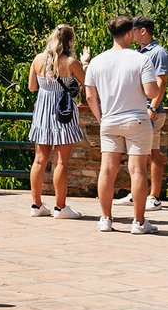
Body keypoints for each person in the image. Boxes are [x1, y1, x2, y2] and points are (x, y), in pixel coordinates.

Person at [85, 16, 162, 234]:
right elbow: (151, 92)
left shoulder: (97, 61)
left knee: (107, 170)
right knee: (137, 170)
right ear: (129, 33)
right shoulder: (140, 60)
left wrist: (101, 119)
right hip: (136, 119)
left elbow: (90, 96)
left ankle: (105, 219)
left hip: (109, 120)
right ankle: (138, 223)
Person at [28, 25, 86, 219]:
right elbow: (86, 83)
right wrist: (84, 64)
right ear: (70, 42)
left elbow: (32, 87)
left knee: (39, 159)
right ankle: (60, 208)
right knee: (60, 162)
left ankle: (36, 205)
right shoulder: (71, 62)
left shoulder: (38, 59)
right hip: (64, 114)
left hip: (42, 112)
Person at [119, 16, 168, 211]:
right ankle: (137, 193)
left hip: (150, 111)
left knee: (153, 153)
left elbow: (162, 82)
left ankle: (154, 197)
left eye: (133, 29)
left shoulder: (159, 52)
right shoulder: (138, 52)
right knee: (138, 154)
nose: (130, 34)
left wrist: (153, 107)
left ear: (143, 31)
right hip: (137, 110)